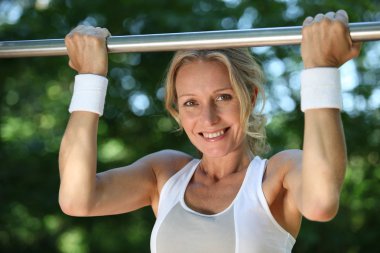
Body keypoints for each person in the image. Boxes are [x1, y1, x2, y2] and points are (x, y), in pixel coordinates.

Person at [59, 10, 361, 252]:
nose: (209, 117)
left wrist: (320, 68)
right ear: (177, 111)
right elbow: (77, 200)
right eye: (191, 103)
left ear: (250, 98)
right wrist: (90, 78)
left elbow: (321, 203)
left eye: (223, 97)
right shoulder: (165, 174)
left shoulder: (277, 176)